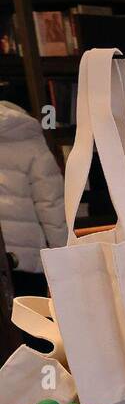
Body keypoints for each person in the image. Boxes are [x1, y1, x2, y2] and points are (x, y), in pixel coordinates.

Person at [0, 100, 67, 296]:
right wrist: (62, 258)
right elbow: (51, 203)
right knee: (35, 321)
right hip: (24, 260)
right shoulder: (29, 138)